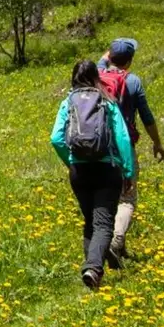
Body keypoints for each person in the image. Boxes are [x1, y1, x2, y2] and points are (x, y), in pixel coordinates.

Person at [51, 59, 136, 290]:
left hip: (79, 171)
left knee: (91, 221)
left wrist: (70, 161)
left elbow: (56, 138)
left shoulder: (67, 102)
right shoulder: (107, 102)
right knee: (103, 224)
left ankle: (91, 273)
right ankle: (94, 269)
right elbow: (123, 138)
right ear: (95, 77)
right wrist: (128, 171)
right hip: (107, 169)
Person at [96, 37, 164, 261]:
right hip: (124, 148)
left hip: (98, 148)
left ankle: (117, 246)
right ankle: (116, 241)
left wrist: (112, 51)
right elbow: (146, 117)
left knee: (107, 195)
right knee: (127, 198)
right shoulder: (133, 81)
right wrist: (157, 142)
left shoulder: (97, 76)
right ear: (129, 61)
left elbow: (103, 59)